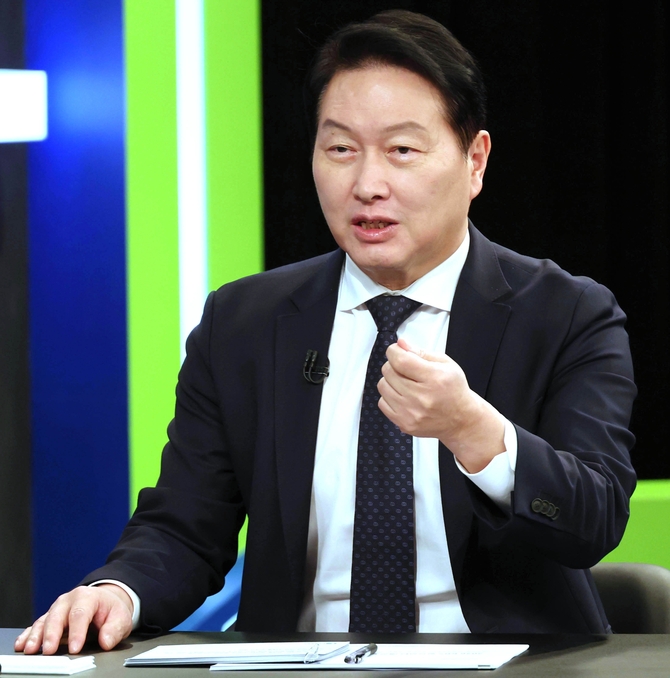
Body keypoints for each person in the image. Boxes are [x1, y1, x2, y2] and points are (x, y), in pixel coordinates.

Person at [17, 9, 636, 655]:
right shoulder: (244, 323)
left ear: (474, 160)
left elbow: (592, 519)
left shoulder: (566, 314)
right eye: (340, 149)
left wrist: (472, 430)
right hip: (297, 664)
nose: (367, 185)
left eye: (401, 151)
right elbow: (185, 527)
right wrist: (119, 592)